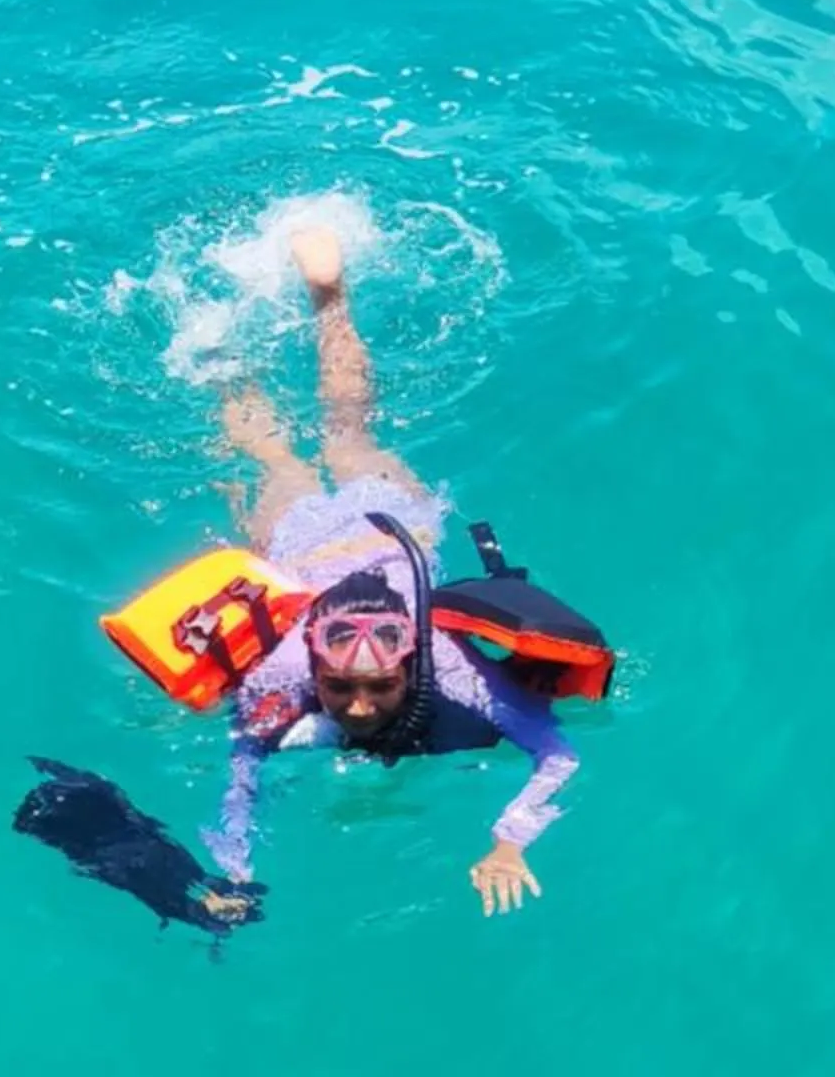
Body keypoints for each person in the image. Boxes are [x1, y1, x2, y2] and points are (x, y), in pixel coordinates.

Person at [207, 224, 580, 915]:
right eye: (342, 686)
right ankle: (266, 333)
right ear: (315, 665)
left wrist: (510, 841)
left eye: (378, 688)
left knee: (304, 451)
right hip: (313, 540)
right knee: (325, 446)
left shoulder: (452, 666)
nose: (356, 707)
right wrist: (234, 869)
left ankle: (260, 332)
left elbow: (559, 753)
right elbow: (241, 770)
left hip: (384, 519)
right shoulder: (286, 666)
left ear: (409, 664)